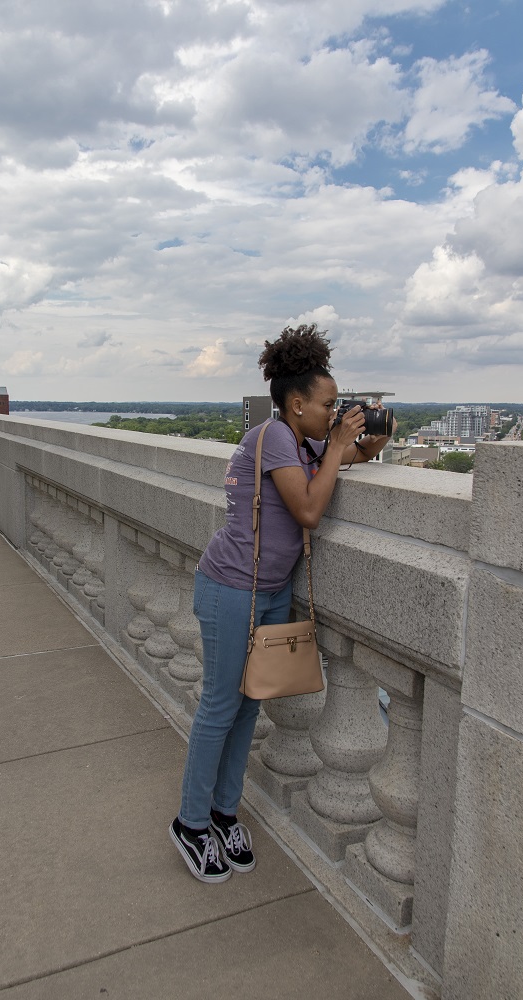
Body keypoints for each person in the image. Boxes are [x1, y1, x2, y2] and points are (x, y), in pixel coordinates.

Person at [169, 324, 395, 882]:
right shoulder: (271, 437)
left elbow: (348, 461)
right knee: (221, 707)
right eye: (327, 404)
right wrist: (340, 445)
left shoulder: (301, 441)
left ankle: (224, 812)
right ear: (296, 404)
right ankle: (191, 822)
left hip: (269, 593)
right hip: (229, 589)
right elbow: (309, 512)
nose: (332, 411)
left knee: (250, 705)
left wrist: (369, 439)